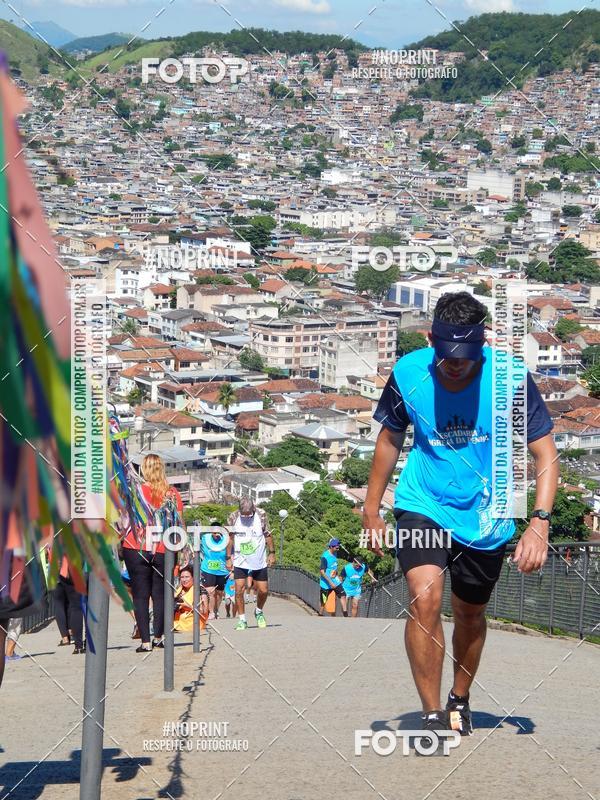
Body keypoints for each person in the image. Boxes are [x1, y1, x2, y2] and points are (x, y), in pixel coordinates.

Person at [364, 291, 558, 743]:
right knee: (424, 598)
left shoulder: (509, 378)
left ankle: (459, 697)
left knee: (470, 615)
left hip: (487, 516)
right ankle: (432, 713)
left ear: (482, 344)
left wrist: (539, 522)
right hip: (423, 503)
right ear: (431, 339)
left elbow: (545, 453)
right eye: (447, 354)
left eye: (465, 355)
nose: (455, 364)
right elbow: (390, 439)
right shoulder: (408, 372)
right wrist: (371, 510)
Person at [121, 453, 183, 652]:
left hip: (135, 546)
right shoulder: (172, 493)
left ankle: (145, 642)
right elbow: (179, 525)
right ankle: (159, 637)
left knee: (140, 595)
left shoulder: (134, 491)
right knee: (160, 594)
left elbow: (123, 518)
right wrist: (179, 552)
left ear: (144, 470)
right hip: (163, 547)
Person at [226, 497, 275, 631]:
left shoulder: (261, 514)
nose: (247, 517)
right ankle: (242, 619)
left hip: (258, 559)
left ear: (253, 508)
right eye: (244, 515)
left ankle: (258, 611)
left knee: (263, 590)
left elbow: (268, 535)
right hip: (240, 559)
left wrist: (272, 553)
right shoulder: (233, 517)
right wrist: (228, 557)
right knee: (239, 590)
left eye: (249, 514)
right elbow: (230, 538)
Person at [54, 557, 85, 654]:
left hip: (64, 569)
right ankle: (88, 640)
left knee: (75, 607)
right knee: (84, 605)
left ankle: (78, 646)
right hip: (81, 566)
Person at [200, 529, 229, 620]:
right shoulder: (205, 538)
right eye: (214, 532)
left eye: (218, 532)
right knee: (211, 591)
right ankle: (211, 612)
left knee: (219, 593)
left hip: (222, 570)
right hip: (208, 569)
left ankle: (216, 610)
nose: (216, 534)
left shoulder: (226, 540)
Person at [174, 565, 208, 632]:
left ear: (193, 578)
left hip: (192, 626)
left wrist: (188, 606)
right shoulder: (180, 589)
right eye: (182, 577)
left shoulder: (200, 590)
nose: (184, 580)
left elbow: (204, 612)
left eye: (187, 577)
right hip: (177, 624)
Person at [319, 538, 345, 616]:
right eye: (336, 547)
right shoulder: (325, 557)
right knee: (324, 600)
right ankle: (320, 614)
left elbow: (334, 566)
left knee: (343, 595)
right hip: (326, 582)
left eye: (338, 546)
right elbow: (322, 572)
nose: (338, 548)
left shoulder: (335, 553)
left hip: (335, 580)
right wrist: (330, 582)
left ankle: (345, 615)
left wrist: (337, 574)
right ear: (331, 547)